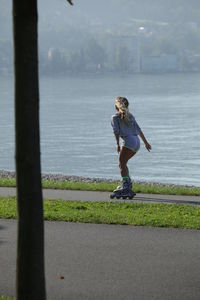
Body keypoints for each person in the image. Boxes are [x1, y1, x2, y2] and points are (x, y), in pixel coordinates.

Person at [110, 96, 151, 199]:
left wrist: (117, 144)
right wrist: (146, 143)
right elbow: (138, 129)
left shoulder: (115, 117)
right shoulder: (131, 116)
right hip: (136, 142)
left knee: (121, 163)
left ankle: (126, 186)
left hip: (129, 141)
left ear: (116, 106)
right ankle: (127, 184)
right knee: (124, 163)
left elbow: (116, 132)